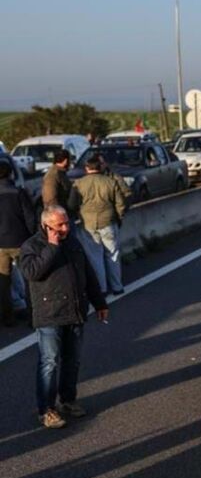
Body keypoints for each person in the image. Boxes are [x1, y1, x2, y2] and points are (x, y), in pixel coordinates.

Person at [19, 205, 108, 428]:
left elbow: (88, 273)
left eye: (67, 222)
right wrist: (52, 246)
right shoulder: (32, 246)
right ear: (46, 225)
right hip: (49, 314)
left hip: (75, 311)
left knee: (72, 360)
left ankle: (68, 400)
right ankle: (46, 409)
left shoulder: (73, 242)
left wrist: (99, 302)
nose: (66, 228)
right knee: (49, 362)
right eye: (60, 224)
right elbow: (32, 273)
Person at [67, 154, 127, 295]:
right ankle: (117, 286)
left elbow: (71, 204)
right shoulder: (110, 182)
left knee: (95, 257)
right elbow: (120, 204)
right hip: (108, 222)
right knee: (112, 255)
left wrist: (80, 214)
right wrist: (118, 218)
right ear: (99, 167)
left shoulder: (78, 184)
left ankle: (102, 288)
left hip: (87, 225)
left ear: (87, 168)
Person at [0, 160, 36, 326]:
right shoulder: (18, 192)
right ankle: (33, 315)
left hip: (1, 244)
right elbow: (30, 217)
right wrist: (32, 236)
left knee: (4, 282)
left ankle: (8, 317)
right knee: (29, 279)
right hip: (21, 241)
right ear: (10, 173)